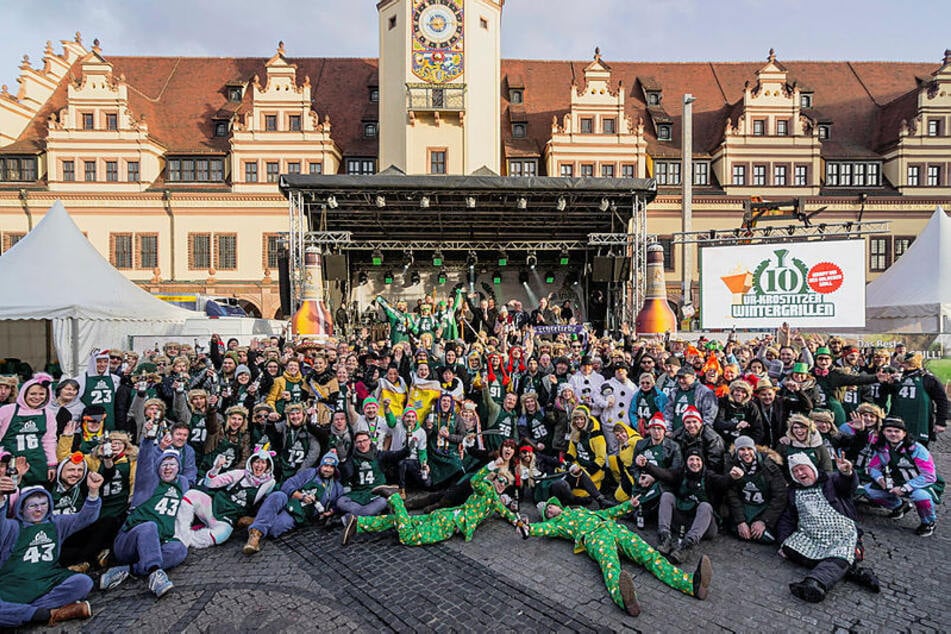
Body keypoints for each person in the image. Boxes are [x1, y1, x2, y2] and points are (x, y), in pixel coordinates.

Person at [527, 497, 713, 617]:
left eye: (550, 507)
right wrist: (528, 528)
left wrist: (627, 506)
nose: (550, 511)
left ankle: (691, 585)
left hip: (617, 530)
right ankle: (624, 599)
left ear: (557, 504)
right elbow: (543, 528)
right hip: (595, 538)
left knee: (650, 556)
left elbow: (608, 513)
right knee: (610, 567)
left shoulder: (581, 511)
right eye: (547, 513)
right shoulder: (558, 525)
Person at [341, 453, 521, 547]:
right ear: (494, 479)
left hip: (444, 516)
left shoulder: (496, 501)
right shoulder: (486, 489)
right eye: (500, 480)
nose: (501, 484)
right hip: (450, 523)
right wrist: (491, 467)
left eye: (505, 484)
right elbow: (475, 481)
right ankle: (394, 497)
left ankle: (359, 523)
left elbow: (507, 514)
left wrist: (520, 523)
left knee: (401, 522)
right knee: (409, 537)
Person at [0, 470, 103, 627]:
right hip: (13, 584)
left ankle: (26, 613)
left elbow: (86, 518)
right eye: (32, 506)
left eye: (43, 504)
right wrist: (1, 497)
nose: (39, 509)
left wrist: (93, 492)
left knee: (82, 582)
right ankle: (47, 614)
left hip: (48, 578)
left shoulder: (56, 523)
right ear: (21, 509)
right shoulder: (12, 527)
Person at [777, 453, 880, 603]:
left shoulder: (830, 480)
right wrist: (783, 541)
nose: (800, 473)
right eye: (795, 471)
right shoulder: (793, 491)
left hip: (840, 531)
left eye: (802, 469)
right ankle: (855, 572)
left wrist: (846, 473)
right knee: (790, 549)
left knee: (841, 550)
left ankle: (815, 583)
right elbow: (788, 518)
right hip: (811, 535)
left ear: (812, 468)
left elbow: (847, 486)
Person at [99, 439, 190, 598]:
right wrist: (148, 439)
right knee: (149, 526)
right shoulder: (149, 484)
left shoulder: (181, 484)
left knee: (179, 549)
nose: (168, 468)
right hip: (129, 541)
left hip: (156, 543)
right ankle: (155, 575)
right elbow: (145, 463)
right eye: (164, 465)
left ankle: (128, 569)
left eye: (172, 464)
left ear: (178, 468)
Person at [243, 449, 346, 554]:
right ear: (320, 465)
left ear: (335, 469)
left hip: (298, 514)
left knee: (274, 531)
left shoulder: (337, 488)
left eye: (331, 467)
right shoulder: (309, 473)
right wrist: (301, 496)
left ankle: (258, 520)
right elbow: (287, 484)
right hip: (288, 500)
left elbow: (336, 506)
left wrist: (329, 512)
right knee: (277, 496)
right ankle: (254, 538)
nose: (327, 469)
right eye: (325, 466)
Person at [863, 416, 943, 537]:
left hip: (921, 483)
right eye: (889, 431)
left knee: (920, 496)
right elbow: (874, 467)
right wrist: (880, 479)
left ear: (904, 433)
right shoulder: (882, 448)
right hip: (896, 480)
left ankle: (928, 522)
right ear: (883, 432)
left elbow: (929, 475)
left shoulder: (917, 449)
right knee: (870, 491)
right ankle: (899, 506)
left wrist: (905, 488)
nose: (893, 434)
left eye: (897, 431)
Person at [654, 448, 731, 565]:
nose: (694, 463)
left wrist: (733, 477)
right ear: (686, 462)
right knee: (667, 496)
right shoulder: (680, 473)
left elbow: (723, 482)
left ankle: (686, 546)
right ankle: (665, 537)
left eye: (697, 459)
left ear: (702, 462)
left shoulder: (709, 476)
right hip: (682, 520)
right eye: (691, 459)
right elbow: (665, 474)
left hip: (704, 526)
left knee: (705, 506)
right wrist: (646, 466)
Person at [723, 436, 787, 544]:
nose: (746, 453)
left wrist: (763, 521)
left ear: (754, 450)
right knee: (738, 530)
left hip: (764, 507)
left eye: (749, 449)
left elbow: (780, 495)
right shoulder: (732, 465)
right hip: (745, 507)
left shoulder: (769, 465)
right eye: (742, 449)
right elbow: (732, 495)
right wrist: (740, 521)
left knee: (765, 537)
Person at [0, 372, 58, 486]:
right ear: (24, 393)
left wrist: (51, 464)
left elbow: (49, 440)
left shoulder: (48, 414)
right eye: (33, 393)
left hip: (38, 464)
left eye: (42, 394)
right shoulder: (7, 410)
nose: (37, 397)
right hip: (11, 463)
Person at [880, 353, 948, 447]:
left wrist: (941, 422)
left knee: (917, 453)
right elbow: (883, 394)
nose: (900, 365)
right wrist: (886, 384)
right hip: (897, 421)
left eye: (904, 363)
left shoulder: (928, 379)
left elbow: (942, 401)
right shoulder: (898, 378)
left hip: (919, 423)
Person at [664, 366, 718, 432]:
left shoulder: (704, 392)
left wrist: (701, 431)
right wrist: (668, 430)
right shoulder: (674, 392)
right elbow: (668, 413)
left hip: (695, 434)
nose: (681, 381)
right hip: (676, 434)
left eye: (684, 378)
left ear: (693, 377)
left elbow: (709, 415)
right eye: (679, 378)